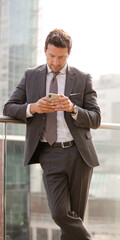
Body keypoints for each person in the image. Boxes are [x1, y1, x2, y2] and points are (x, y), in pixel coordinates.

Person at [3, 29, 101, 239]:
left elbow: (95, 118)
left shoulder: (82, 78)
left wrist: (73, 108)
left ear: (69, 54)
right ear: (44, 51)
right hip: (49, 154)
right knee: (60, 213)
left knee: (74, 221)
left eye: (61, 57)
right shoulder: (32, 76)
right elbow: (9, 107)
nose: (55, 62)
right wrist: (33, 108)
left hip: (79, 155)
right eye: (51, 56)